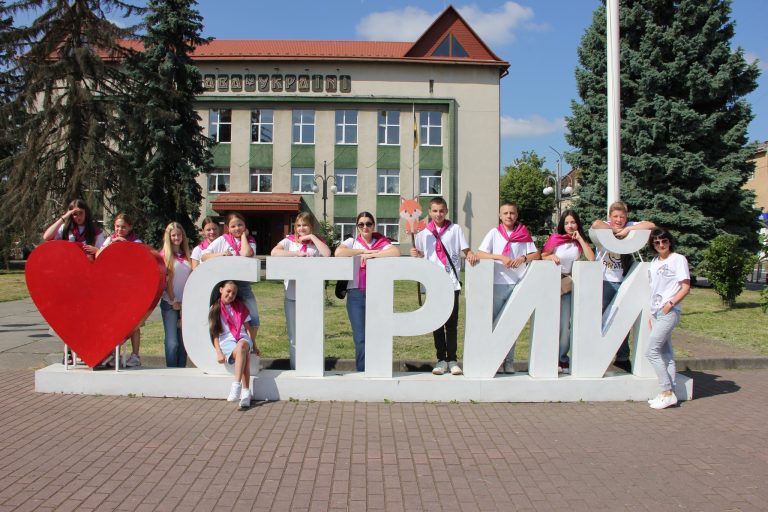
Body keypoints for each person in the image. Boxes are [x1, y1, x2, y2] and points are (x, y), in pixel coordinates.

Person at [410, 197, 477, 376]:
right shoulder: (423, 233)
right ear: (429, 212)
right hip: (433, 283)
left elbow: (465, 249)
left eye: (441, 211)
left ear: (446, 211)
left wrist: (470, 254)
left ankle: (452, 360)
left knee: (452, 324)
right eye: (435, 211)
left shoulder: (455, 229)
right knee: (437, 323)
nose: (438, 214)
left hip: (451, 282)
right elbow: (421, 254)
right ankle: (441, 360)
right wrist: (415, 253)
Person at [476, 202, 540, 374]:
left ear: (516, 215)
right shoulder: (494, 233)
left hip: (517, 283)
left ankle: (509, 361)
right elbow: (480, 253)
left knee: (511, 324)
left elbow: (536, 254)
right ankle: (494, 360)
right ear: (500, 216)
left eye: (512, 213)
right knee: (496, 323)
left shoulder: (523, 233)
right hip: (498, 282)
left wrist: (523, 258)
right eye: (505, 213)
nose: (509, 216)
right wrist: (500, 257)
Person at [592, 201, 656, 372]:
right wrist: (613, 231)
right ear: (610, 217)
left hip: (625, 280)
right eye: (615, 216)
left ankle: (622, 357)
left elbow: (651, 225)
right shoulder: (605, 225)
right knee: (600, 318)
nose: (619, 220)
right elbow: (595, 224)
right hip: (604, 280)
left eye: (622, 217)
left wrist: (628, 230)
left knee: (622, 320)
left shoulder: (629, 226)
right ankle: (597, 353)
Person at [335, 212, 400, 371]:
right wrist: (363, 252)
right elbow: (339, 252)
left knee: (378, 334)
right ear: (357, 226)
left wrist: (374, 253)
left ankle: (378, 370)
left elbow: (395, 252)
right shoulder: (352, 241)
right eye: (361, 224)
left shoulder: (381, 242)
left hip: (377, 294)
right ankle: (362, 370)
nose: (365, 227)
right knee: (360, 337)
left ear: (373, 225)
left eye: (368, 224)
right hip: (355, 294)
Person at [270, 212, 331, 369]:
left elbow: (327, 254)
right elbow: (274, 252)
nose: (301, 228)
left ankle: (313, 366)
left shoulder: (316, 242)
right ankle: (295, 367)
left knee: (312, 333)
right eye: (298, 225)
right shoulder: (289, 241)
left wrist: (312, 238)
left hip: (311, 296)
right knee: (294, 335)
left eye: (305, 225)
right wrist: (296, 253)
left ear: (311, 226)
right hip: (292, 296)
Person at [541, 210, 595, 374]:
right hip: (554, 284)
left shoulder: (578, 243)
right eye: (566, 223)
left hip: (569, 286)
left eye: (573, 222)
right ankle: (549, 357)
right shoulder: (556, 239)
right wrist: (551, 257)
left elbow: (591, 258)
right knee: (551, 323)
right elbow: (543, 255)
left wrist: (580, 239)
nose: (570, 226)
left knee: (566, 325)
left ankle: (562, 358)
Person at [646, 228, 690, 410]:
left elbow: (685, 287)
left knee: (651, 352)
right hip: (656, 311)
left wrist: (671, 303)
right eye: (657, 242)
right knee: (666, 354)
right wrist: (651, 313)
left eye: (664, 241)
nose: (661, 245)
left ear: (669, 241)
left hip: (669, 311)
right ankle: (670, 394)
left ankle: (666, 391)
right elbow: (653, 289)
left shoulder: (678, 259)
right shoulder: (654, 262)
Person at [201, 212, 260, 342]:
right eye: (233, 226)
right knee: (218, 316)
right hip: (225, 285)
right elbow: (204, 256)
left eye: (240, 225)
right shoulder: (223, 239)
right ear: (228, 228)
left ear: (245, 225)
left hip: (243, 284)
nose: (237, 228)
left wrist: (244, 236)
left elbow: (246, 253)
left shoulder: (250, 240)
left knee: (254, 318)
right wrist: (221, 254)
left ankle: (250, 345)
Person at [98, 213, 144, 367]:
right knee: (113, 322)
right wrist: (111, 244)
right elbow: (98, 255)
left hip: (130, 288)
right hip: (113, 288)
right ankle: (112, 354)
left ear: (130, 227)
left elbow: (140, 258)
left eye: (123, 227)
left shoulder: (136, 241)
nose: (120, 230)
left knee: (134, 323)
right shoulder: (110, 239)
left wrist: (125, 244)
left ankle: (135, 355)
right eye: (117, 226)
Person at [209, 281, 261, 410]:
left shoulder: (239, 306)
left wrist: (254, 345)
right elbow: (215, 333)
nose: (231, 295)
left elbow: (248, 328)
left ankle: (236, 385)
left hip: (242, 338)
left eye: (234, 293)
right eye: (228, 291)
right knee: (243, 355)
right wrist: (218, 352)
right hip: (227, 341)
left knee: (242, 346)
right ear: (221, 290)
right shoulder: (215, 308)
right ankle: (245, 393)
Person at [159, 222, 192, 368]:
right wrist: (173, 301)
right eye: (173, 235)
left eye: (179, 235)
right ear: (168, 237)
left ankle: (181, 370)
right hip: (170, 303)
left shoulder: (188, 255)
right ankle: (171, 371)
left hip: (185, 305)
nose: (176, 238)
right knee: (172, 342)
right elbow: (167, 281)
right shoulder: (164, 255)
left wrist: (185, 304)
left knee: (183, 342)